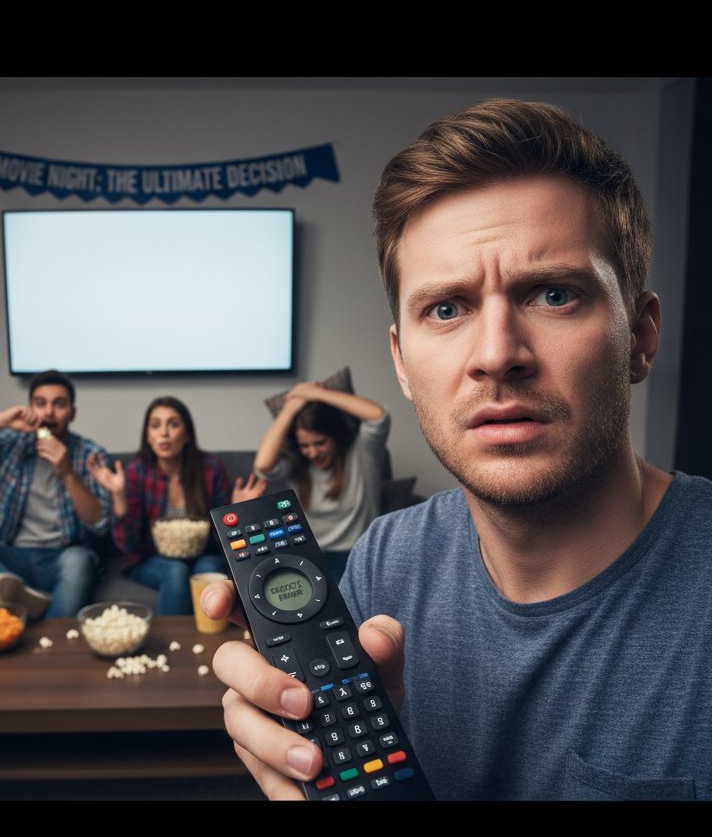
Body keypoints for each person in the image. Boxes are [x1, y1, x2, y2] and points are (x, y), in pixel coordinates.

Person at [202, 98, 712, 800]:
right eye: (447, 308)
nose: (497, 354)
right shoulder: (387, 562)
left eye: (555, 294)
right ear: (404, 364)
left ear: (641, 337)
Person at [0, 370, 110, 619]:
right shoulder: (13, 443)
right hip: (10, 555)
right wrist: (1, 420)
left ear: (72, 413)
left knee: (80, 561)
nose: (48, 413)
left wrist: (67, 473)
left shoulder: (91, 454)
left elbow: (99, 523)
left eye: (59, 404)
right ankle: (12, 590)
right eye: (40, 404)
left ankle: (45, 640)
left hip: (61, 557)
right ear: (30, 409)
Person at [87, 396, 265, 615]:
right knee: (175, 571)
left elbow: (223, 541)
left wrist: (236, 511)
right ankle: (175, 644)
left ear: (187, 434)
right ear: (148, 437)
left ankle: (215, 644)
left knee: (209, 569)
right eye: (155, 425)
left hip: (203, 554)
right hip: (149, 558)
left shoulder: (210, 469)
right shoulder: (136, 471)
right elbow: (128, 546)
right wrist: (119, 497)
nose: (164, 433)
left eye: (173, 424)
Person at [254, 382, 390, 583]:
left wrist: (319, 393)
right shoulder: (297, 465)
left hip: (354, 553)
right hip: (308, 553)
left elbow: (378, 416)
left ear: (335, 437)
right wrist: (291, 408)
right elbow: (263, 464)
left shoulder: (362, 453)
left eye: (320, 443)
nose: (313, 453)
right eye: (305, 445)